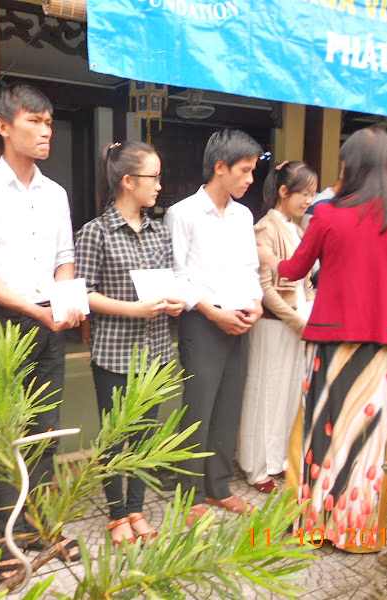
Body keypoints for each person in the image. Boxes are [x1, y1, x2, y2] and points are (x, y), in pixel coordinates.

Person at [259, 127, 387, 552]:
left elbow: (295, 270)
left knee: (320, 430)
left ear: (349, 166)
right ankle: (357, 531)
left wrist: (268, 257)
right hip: (384, 343)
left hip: (330, 341)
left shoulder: (328, 214)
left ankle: (312, 523)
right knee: (369, 437)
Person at [0, 82, 84, 576]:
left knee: (45, 429)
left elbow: (64, 258)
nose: (45, 130)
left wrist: (65, 301)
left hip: (51, 322)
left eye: (49, 122)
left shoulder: (56, 194)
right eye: (34, 120)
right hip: (3, 325)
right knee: (5, 432)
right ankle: (11, 542)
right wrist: (37, 310)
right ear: (3, 126)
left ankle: (42, 527)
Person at [75, 141, 184, 545]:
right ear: (128, 181)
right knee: (114, 436)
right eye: (153, 177)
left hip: (156, 351)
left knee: (145, 436)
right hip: (114, 353)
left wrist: (175, 302)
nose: (159, 185)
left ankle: (137, 508)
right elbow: (83, 294)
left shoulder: (160, 232)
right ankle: (116, 514)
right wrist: (132, 309)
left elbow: (170, 282)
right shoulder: (96, 232)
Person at [164, 129, 264, 525]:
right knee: (198, 407)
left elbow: (250, 268)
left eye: (253, 171)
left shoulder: (243, 215)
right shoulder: (183, 213)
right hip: (202, 321)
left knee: (229, 405)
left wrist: (256, 303)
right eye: (245, 170)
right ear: (220, 168)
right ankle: (189, 494)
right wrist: (211, 311)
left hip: (240, 317)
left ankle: (219, 487)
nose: (251, 179)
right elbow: (177, 274)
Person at [237, 161, 317, 495]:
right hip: (273, 325)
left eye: (313, 193)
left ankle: (281, 458)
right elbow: (265, 288)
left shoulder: (298, 229)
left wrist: (309, 313)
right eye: (304, 193)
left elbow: (306, 281)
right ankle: (256, 466)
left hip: (297, 324)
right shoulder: (265, 227)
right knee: (265, 393)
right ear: (284, 191)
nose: (309, 200)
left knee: (289, 394)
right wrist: (298, 321)